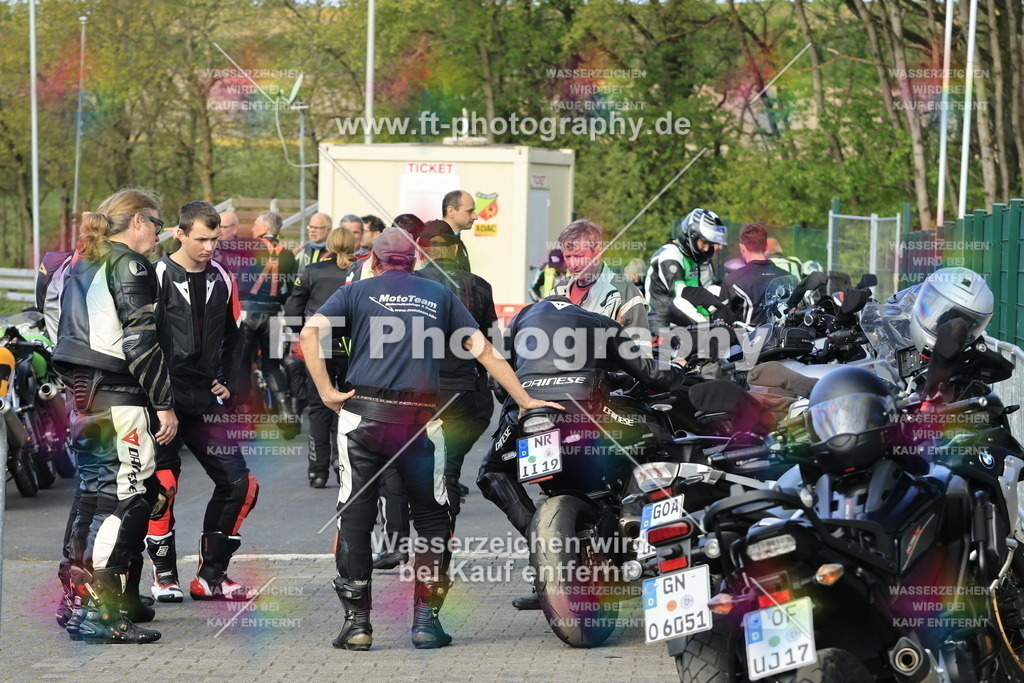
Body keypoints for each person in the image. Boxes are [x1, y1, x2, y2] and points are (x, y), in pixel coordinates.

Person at [299, 226, 560, 651]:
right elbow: (485, 351)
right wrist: (526, 400)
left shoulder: (356, 291)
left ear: (375, 260)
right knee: (433, 518)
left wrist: (328, 392)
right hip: (420, 421)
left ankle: (357, 625)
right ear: (417, 259)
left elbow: (309, 333)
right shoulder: (438, 294)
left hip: (363, 415)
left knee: (355, 517)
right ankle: (425, 622)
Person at [476, 296, 687, 609]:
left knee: (490, 473)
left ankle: (542, 547)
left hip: (525, 413)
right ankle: (641, 525)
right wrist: (679, 369)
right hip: (583, 411)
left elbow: (497, 384)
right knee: (656, 440)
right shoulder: (601, 322)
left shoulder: (521, 319)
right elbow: (653, 376)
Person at [53, 188, 177, 644]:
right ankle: (98, 610)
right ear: (139, 221)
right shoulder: (129, 263)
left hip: (85, 397)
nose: (159, 235)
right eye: (158, 225)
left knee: (92, 497)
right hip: (118, 397)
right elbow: (140, 341)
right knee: (121, 500)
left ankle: (76, 603)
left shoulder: (81, 260)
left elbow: (59, 330)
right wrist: (163, 402)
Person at [146, 201, 261, 603]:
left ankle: (210, 577)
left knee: (240, 484)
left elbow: (235, 336)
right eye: (201, 239)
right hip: (162, 399)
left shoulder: (224, 277)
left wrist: (227, 381)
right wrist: (159, 400)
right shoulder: (155, 274)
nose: (210, 246)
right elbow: (140, 342)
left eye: (214, 238)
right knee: (163, 486)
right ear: (179, 234)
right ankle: (163, 576)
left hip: (206, 399)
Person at [372, 221, 499, 570]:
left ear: (422, 250)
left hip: (416, 392)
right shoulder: (480, 287)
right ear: (456, 249)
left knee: (397, 468)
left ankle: (397, 544)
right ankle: (440, 550)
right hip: (464, 393)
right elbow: (491, 345)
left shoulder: (410, 285)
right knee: (448, 474)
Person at [285, 227, 359, 488]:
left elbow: (292, 309)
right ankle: (345, 470)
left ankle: (317, 472)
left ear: (328, 244)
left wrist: (302, 335)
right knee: (351, 410)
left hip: (318, 348)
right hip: (353, 350)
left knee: (318, 409)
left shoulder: (312, 270)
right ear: (354, 244)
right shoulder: (361, 271)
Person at [550, 219, 652, 351]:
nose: (573, 264)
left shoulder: (626, 293)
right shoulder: (559, 290)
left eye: (579, 256)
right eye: (568, 257)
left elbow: (641, 354)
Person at [235, 210, 299, 416]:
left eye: (255, 225)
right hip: (273, 315)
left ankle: (245, 410)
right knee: (272, 363)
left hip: (247, 313)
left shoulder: (247, 247)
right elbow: (288, 289)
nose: (252, 229)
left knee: (242, 363)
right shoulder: (289, 255)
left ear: (264, 228)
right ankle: (284, 405)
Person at [646, 208, 728, 330]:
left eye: (710, 244)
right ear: (692, 236)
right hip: (663, 325)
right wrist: (706, 325)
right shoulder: (670, 256)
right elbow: (680, 299)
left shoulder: (690, 257)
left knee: (717, 290)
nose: (706, 249)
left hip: (684, 323)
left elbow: (699, 294)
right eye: (704, 242)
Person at [720, 223, 794, 326]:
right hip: (782, 339)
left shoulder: (732, 280)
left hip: (746, 340)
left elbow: (722, 321)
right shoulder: (787, 277)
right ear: (765, 245)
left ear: (742, 247)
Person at [441, 190, 477, 272]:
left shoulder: (458, 241)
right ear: (451, 211)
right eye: (469, 211)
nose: (475, 216)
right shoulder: (437, 242)